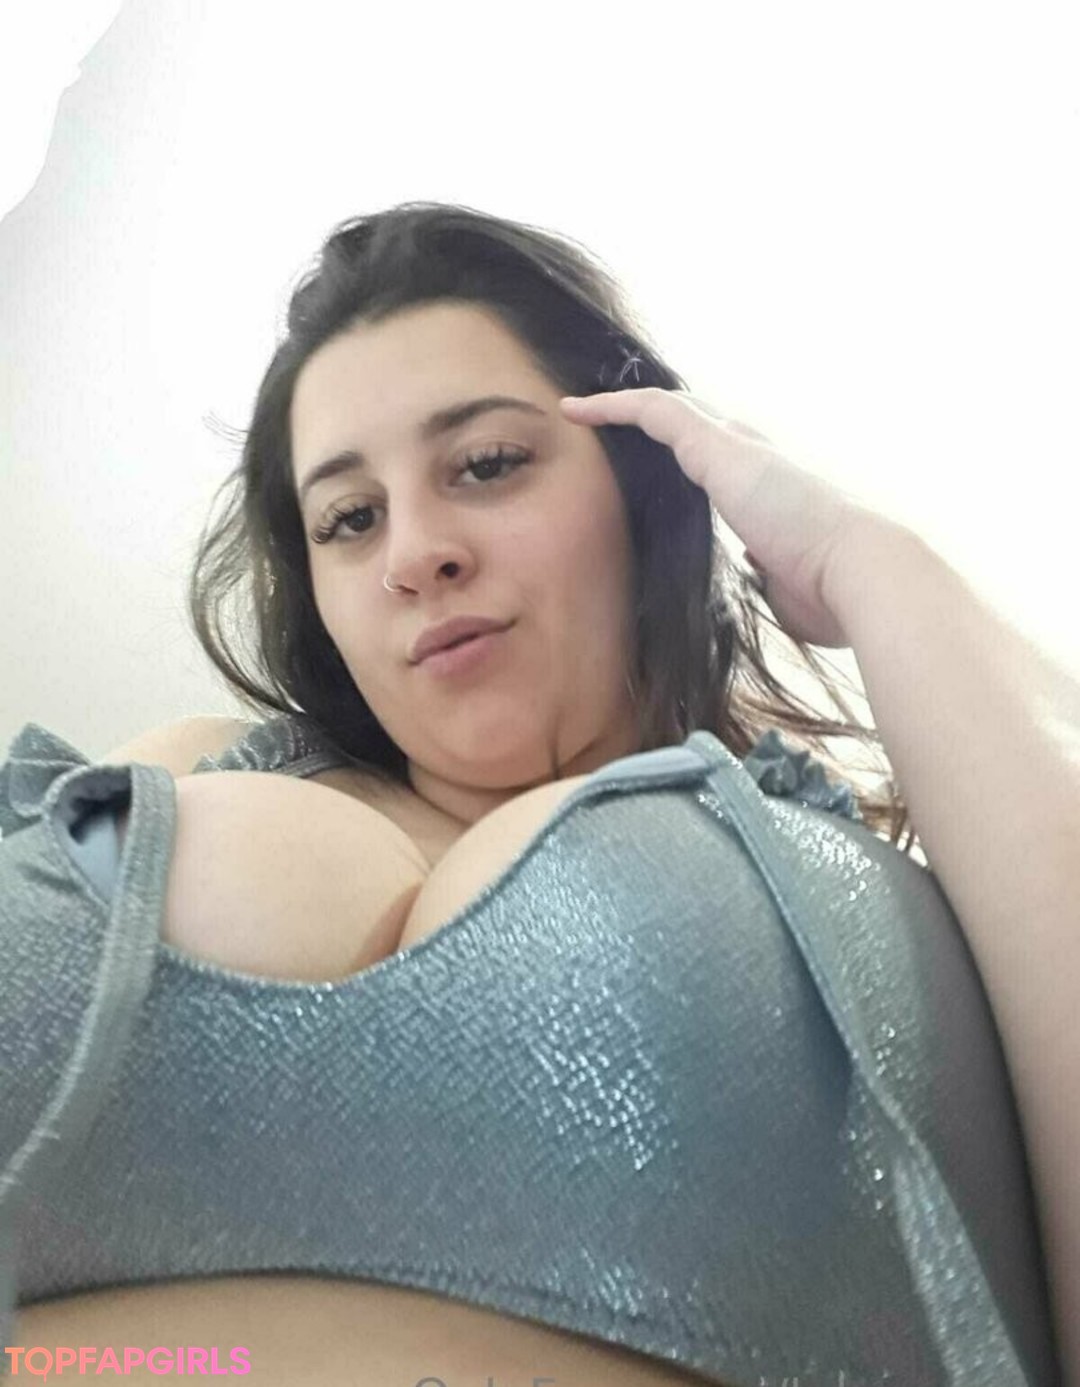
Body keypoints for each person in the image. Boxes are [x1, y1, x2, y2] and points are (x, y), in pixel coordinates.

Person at [0, 202, 1070, 1385]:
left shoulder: (870, 887)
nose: (415, 551)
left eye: (488, 464)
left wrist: (868, 563)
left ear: (643, 484)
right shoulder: (155, 787)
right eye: (350, 519)